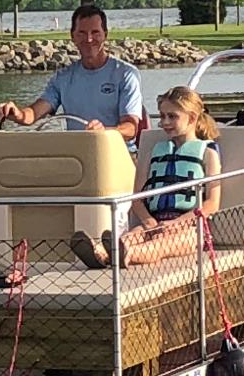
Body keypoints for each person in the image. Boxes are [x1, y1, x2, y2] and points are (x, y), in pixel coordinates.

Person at [70, 86, 221, 268]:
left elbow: (212, 204)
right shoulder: (153, 152)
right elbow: (137, 199)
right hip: (153, 221)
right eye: (162, 116)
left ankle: (120, 256)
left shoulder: (208, 153)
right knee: (131, 237)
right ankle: (101, 253)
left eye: (172, 116)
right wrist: (148, 221)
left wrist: (177, 224)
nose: (165, 122)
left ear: (192, 118)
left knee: (160, 247)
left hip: (191, 229)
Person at [0, 3, 143, 140]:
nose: (89, 39)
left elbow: (131, 128)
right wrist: (16, 113)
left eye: (95, 32)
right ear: (72, 36)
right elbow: (33, 114)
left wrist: (103, 133)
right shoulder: (63, 78)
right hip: (77, 157)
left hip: (119, 154)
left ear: (105, 34)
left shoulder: (126, 74)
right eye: (82, 33)